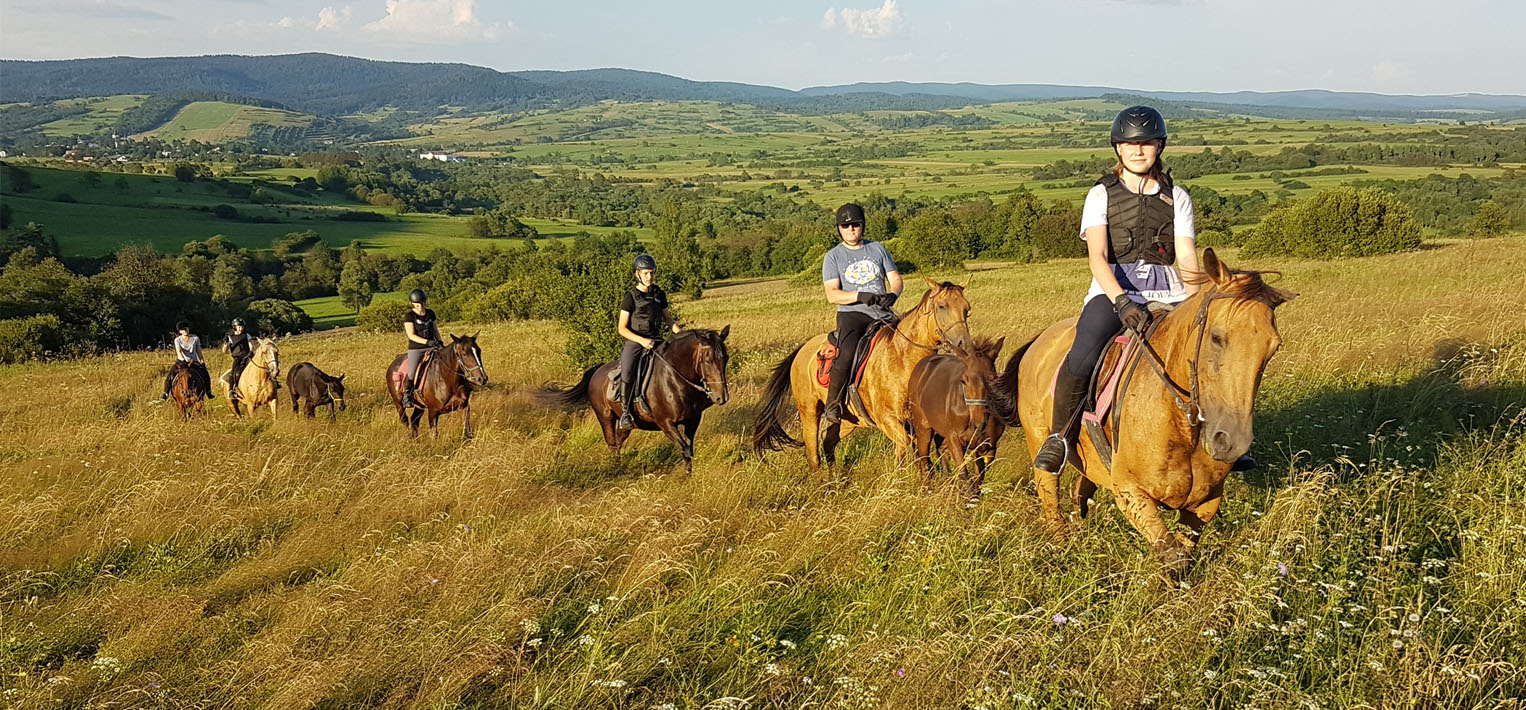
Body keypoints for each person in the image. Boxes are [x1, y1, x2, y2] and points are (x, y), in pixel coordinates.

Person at [1032, 105, 1205, 473]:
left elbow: (1187, 256)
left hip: (1166, 291)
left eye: (1146, 144)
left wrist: (1198, 299)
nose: (1138, 151)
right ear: (1118, 148)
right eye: (1129, 144)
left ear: (1159, 147)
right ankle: (1060, 436)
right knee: (1083, 352)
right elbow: (1097, 256)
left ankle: (1221, 439)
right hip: (1113, 289)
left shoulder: (1179, 198)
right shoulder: (1101, 195)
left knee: (1210, 352)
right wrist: (1121, 301)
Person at [821, 202, 902, 425]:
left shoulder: (878, 249)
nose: (851, 229)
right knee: (846, 353)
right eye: (845, 226)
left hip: (882, 313)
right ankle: (833, 403)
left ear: (863, 226)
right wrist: (858, 296)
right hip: (852, 314)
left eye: (855, 225)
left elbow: (895, 279)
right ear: (839, 228)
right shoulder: (833, 257)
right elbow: (832, 295)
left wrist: (893, 295)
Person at [616, 254, 681, 430]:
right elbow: (621, 328)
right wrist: (641, 340)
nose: (649, 277)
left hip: (657, 340)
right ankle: (625, 413)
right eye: (645, 273)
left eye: (651, 273)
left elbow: (668, 319)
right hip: (636, 341)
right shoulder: (630, 296)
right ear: (637, 274)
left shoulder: (659, 294)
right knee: (628, 371)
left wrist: (683, 337)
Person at [401, 289, 442, 409]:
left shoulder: (430, 313)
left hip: (433, 345)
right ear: (413, 304)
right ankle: (407, 395)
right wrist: (427, 342)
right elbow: (411, 335)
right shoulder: (409, 316)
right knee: (412, 372)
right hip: (417, 348)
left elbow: (435, 330)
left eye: (422, 303)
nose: (420, 306)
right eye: (417, 304)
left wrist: (440, 342)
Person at [153, 321, 212, 403]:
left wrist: (202, 362)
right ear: (180, 331)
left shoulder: (195, 339)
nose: (185, 330)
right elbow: (179, 352)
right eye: (183, 329)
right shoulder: (177, 340)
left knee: (205, 374)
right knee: (170, 376)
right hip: (181, 362)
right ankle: (165, 393)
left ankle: (208, 392)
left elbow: (199, 351)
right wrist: (184, 361)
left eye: (186, 328)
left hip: (193, 361)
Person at [221, 317, 254, 401]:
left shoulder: (246, 335)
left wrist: (251, 351)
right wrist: (226, 343)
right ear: (234, 327)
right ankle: (231, 390)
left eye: (242, 326)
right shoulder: (230, 337)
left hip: (247, 356)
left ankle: (273, 381)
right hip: (238, 357)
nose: (241, 328)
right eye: (239, 327)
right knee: (234, 372)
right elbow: (224, 351)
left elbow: (251, 344)